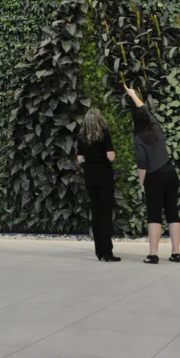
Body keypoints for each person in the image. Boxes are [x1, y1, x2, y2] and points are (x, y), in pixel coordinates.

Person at [125, 85, 180, 264]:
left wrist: (142, 182)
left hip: (154, 177)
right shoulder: (156, 126)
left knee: (154, 215)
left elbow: (142, 164)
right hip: (170, 173)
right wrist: (133, 94)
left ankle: (153, 254)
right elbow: (144, 109)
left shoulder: (138, 138)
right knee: (172, 212)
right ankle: (175, 252)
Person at [76, 108, 120, 262]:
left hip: (90, 176)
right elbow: (111, 156)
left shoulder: (82, 136)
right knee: (106, 214)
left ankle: (99, 251)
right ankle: (107, 252)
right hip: (103, 175)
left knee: (95, 214)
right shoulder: (104, 133)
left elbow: (80, 158)